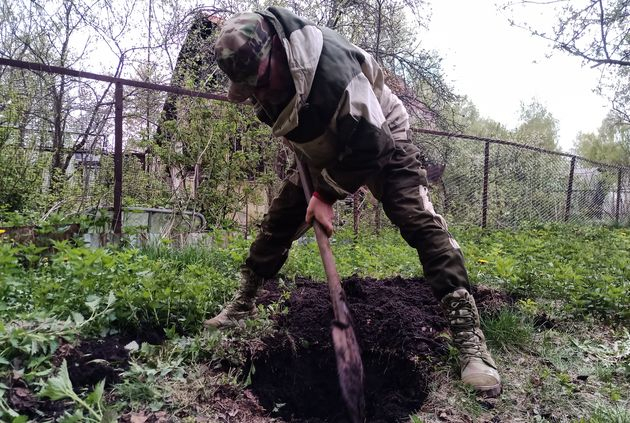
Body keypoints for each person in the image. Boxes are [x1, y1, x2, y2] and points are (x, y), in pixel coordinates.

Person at [204, 7, 501, 397]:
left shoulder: (331, 71)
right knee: (278, 221)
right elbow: (292, 124)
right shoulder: (264, 82)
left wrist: (326, 194)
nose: (257, 94)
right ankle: (244, 300)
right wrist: (313, 185)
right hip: (323, 148)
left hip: (380, 136)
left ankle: (469, 338)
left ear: (275, 49)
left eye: (258, 82)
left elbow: (371, 145)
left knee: (415, 218)